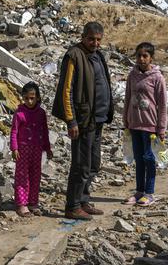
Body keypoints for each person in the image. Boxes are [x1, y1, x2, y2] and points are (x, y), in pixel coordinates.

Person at [52, 21, 113, 220]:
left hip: (98, 119)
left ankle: (84, 199)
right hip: (83, 121)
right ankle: (73, 205)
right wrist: (71, 120)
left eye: (98, 40)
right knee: (80, 164)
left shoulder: (98, 56)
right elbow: (66, 90)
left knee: (94, 163)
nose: (95, 43)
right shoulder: (74, 56)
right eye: (91, 39)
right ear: (82, 37)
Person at [122, 42, 168, 207]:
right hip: (134, 124)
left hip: (150, 126)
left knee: (149, 158)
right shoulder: (132, 75)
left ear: (151, 58)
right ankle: (139, 191)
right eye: (139, 55)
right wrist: (125, 120)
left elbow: (162, 105)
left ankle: (149, 193)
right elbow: (127, 98)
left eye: (145, 56)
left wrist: (161, 128)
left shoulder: (157, 77)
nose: (141, 59)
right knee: (139, 159)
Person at [10, 82, 53, 218]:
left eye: (32, 98)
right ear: (23, 97)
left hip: (37, 149)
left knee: (35, 175)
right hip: (22, 150)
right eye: (26, 98)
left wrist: (47, 148)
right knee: (22, 175)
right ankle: (22, 204)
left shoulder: (41, 113)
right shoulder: (19, 113)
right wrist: (14, 148)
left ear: (38, 98)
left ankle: (33, 202)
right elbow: (14, 132)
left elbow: (45, 131)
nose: (29, 101)